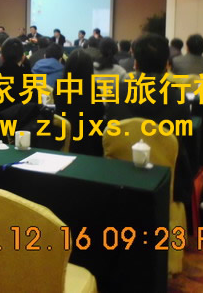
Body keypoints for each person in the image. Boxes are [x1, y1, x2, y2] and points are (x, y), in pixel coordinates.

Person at [107, 33, 192, 207]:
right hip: (167, 185)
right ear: (167, 65)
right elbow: (184, 143)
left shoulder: (116, 93)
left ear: (135, 64)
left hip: (119, 179)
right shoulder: (179, 97)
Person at [54, 49, 105, 156]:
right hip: (90, 143)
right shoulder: (92, 89)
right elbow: (100, 113)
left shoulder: (59, 86)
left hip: (64, 140)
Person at [0, 37, 35, 119]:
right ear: (23, 58)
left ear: (1, 57)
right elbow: (33, 106)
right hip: (22, 125)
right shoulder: (28, 77)